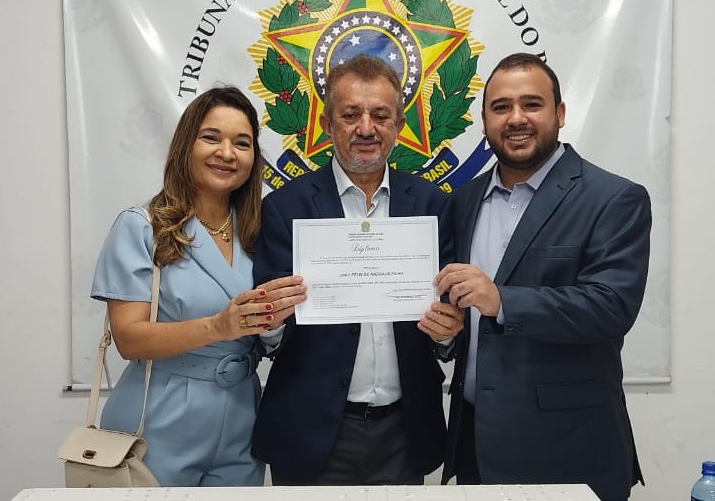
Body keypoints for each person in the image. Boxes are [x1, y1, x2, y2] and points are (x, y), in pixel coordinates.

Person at [433, 53, 650, 501]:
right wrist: (448, 334)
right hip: (474, 444)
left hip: (567, 448)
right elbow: (464, 312)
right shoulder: (464, 200)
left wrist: (503, 301)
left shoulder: (613, 199)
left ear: (560, 113)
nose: (516, 118)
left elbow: (611, 307)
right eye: (501, 107)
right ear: (484, 122)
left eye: (531, 104)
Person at [251, 54, 464, 486]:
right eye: (350, 115)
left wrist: (447, 334)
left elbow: (445, 326)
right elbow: (271, 339)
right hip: (309, 430)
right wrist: (269, 322)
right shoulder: (284, 209)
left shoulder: (432, 206)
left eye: (380, 116)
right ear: (327, 125)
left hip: (405, 430)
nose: (366, 129)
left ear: (398, 126)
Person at [90, 86, 307, 487]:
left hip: (243, 418)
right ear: (185, 145)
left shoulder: (260, 234)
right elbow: (128, 339)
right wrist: (217, 327)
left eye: (242, 143)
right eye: (211, 137)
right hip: (158, 418)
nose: (227, 153)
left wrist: (273, 328)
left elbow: (266, 336)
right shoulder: (142, 227)